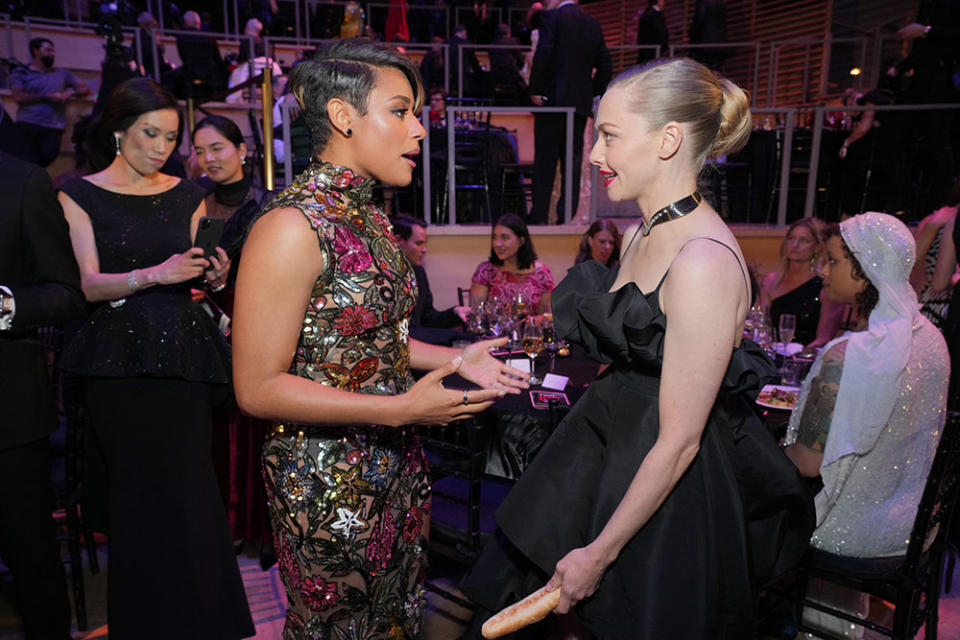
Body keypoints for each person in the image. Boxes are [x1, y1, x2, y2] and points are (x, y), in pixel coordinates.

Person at [461, 57, 814, 639]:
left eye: (609, 136)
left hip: (662, 486)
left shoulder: (703, 260)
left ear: (668, 139)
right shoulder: (641, 231)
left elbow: (679, 441)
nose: (595, 155)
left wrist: (599, 552)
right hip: (601, 455)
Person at [230, 39, 529, 639]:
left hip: (392, 463)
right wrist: (401, 409)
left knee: (394, 619)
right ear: (343, 116)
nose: (419, 130)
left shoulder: (367, 216)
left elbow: (365, 339)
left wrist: (456, 357)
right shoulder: (290, 227)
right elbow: (257, 388)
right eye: (400, 111)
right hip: (325, 485)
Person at [57, 78, 254, 639]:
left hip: (185, 361)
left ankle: (209, 623)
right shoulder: (77, 194)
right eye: (150, 134)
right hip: (117, 363)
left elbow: (193, 267)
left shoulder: (188, 192)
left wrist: (210, 271)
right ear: (120, 130)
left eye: (170, 137)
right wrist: (156, 275)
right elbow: (88, 284)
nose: (161, 147)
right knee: (137, 502)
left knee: (192, 494)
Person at [783, 213, 949, 636]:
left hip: (853, 536)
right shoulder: (932, 338)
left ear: (866, 272)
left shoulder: (848, 357)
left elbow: (805, 464)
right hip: (915, 528)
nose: (822, 270)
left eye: (833, 261)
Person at [0, 150, 84, 640]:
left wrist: (7, 304)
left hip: (9, 416)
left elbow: (65, 291)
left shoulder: (22, 182)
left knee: (31, 558)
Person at [528, 0, 612, 224]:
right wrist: (590, 91)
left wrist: (535, 89)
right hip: (578, 105)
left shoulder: (552, 18)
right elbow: (605, 65)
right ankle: (566, 217)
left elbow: (543, 54)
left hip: (551, 101)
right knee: (572, 162)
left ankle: (539, 218)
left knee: (545, 162)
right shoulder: (592, 24)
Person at [759, 217, 845, 348]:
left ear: (816, 247)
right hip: (771, 353)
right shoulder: (771, 282)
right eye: (791, 238)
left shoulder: (826, 287)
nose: (795, 245)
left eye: (804, 240)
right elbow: (762, 327)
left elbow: (824, 338)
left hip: (805, 358)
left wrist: (798, 356)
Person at [9, 38, 90, 167]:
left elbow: (85, 88)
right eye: (48, 50)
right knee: (24, 160)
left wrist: (70, 92)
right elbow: (18, 97)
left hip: (53, 126)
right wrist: (46, 96)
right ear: (36, 51)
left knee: (48, 156)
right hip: (28, 123)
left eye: (53, 50)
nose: (52, 53)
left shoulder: (61, 73)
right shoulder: (21, 72)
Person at [392, 214, 470, 332]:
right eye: (419, 243)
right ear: (397, 241)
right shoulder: (381, 278)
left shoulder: (418, 272)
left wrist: (455, 313)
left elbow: (427, 318)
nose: (424, 250)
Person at [470, 214, 555, 314]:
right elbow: (476, 316)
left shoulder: (542, 274)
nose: (497, 244)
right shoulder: (485, 271)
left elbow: (545, 318)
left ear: (521, 241)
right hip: (494, 329)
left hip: (528, 329)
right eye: (494, 237)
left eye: (505, 238)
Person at [173, 10, 227, 98]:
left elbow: (182, 57)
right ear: (199, 23)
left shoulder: (181, 37)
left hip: (189, 73)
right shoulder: (209, 37)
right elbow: (217, 58)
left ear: (186, 23)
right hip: (208, 74)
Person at [635, 0, 668, 65]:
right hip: (651, 53)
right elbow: (660, 33)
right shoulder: (653, 14)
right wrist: (665, 45)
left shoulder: (649, 13)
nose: (664, 2)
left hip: (649, 52)